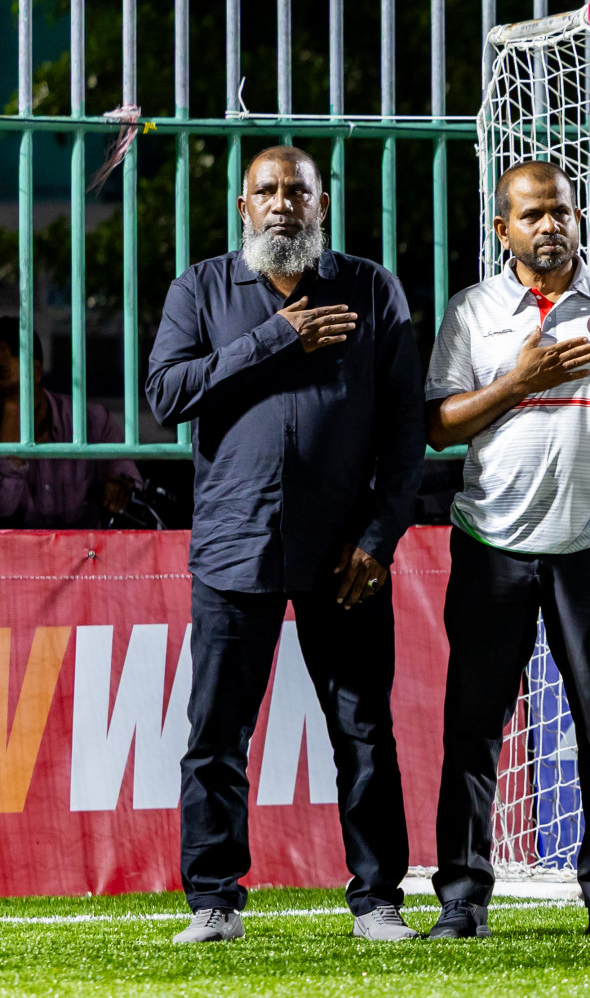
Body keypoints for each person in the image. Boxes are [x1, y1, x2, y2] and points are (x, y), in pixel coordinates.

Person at [145, 145, 425, 943]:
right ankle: (214, 902)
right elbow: (167, 394)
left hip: (345, 555)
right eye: (265, 191)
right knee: (216, 735)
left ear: (320, 205)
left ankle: (378, 901)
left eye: (296, 192)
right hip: (236, 545)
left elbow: (405, 431)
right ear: (244, 208)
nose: (281, 204)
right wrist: (276, 338)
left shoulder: (369, 288)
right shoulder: (201, 288)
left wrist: (379, 538)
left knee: (363, 731)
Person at [424, 160, 590, 940]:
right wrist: (519, 379)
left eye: (562, 212)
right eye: (533, 214)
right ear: (502, 228)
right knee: (473, 731)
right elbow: (438, 427)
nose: (550, 226)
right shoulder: (472, 310)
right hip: (491, 545)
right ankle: (462, 897)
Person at [0, 317, 140, 528]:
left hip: (87, 547)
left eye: (1, 373)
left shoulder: (91, 420)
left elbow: (130, 484)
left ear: (34, 372)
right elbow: (3, 506)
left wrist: (119, 486)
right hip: (16, 549)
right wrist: (12, 416)